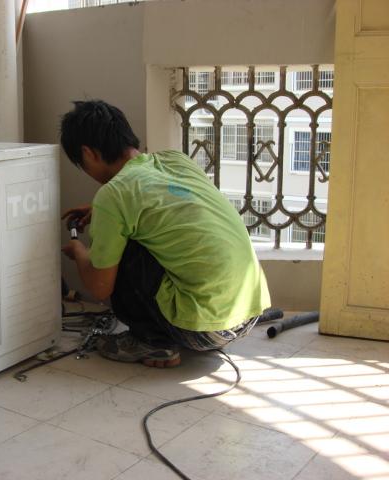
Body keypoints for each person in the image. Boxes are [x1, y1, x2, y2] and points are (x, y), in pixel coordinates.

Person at [60, 100, 271, 368]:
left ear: (88, 153)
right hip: (247, 315)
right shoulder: (176, 160)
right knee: (140, 233)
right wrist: (101, 212)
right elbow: (176, 205)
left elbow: (100, 288)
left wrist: (80, 252)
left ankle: (152, 341)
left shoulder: (113, 195)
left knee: (127, 248)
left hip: (203, 332)